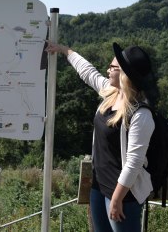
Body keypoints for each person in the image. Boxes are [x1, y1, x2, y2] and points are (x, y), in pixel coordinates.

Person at [45, 41, 156, 232]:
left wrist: (116, 199)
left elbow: (134, 163)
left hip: (123, 196)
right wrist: (65, 50)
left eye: (112, 66)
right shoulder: (111, 94)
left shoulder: (141, 114)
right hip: (99, 187)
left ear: (124, 75)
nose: (107, 69)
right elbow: (88, 73)